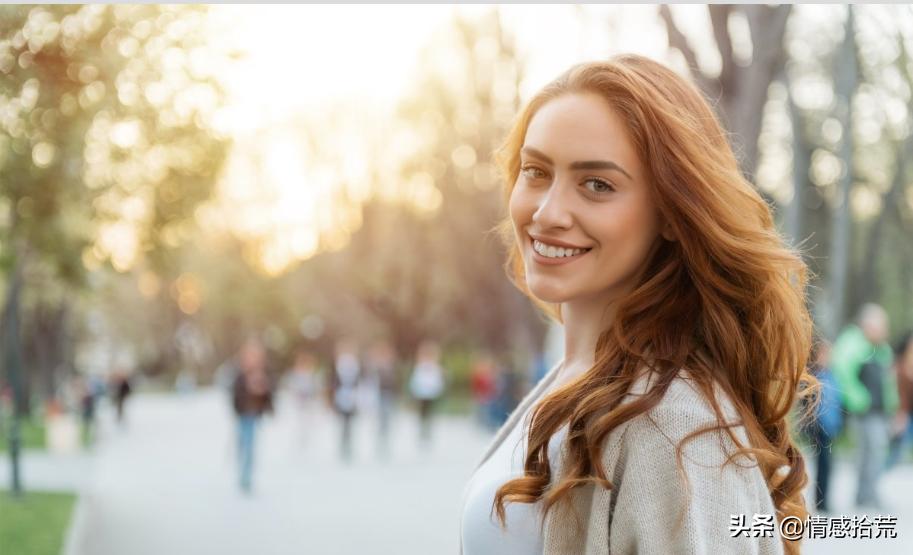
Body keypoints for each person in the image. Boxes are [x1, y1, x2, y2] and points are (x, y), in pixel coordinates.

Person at [460, 55, 814, 555]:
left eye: (597, 184)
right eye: (536, 171)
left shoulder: (670, 424)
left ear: (672, 213)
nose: (547, 211)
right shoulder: (576, 374)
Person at [831, 303, 897, 508]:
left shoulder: (881, 349)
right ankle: (866, 494)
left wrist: (893, 406)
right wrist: (860, 399)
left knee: (875, 452)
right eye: (880, 326)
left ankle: (867, 494)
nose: (883, 330)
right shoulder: (853, 344)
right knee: (869, 452)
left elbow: (888, 381)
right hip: (863, 412)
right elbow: (843, 373)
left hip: (880, 411)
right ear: (867, 325)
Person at [802, 339, 842, 513]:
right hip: (820, 427)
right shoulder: (813, 377)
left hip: (832, 426)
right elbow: (807, 405)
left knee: (829, 465)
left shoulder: (832, 376)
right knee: (822, 465)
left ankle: (825, 500)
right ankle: (820, 501)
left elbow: (837, 402)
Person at [231, 337, 274, 493]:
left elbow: (269, 395)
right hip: (242, 413)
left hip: (254, 415)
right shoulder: (240, 374)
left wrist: (262, 391)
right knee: (242, 443)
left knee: (250, 445)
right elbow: (235, 394)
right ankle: (241, 465)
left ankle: (246, 476)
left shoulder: (263, 373)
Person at [408, 340, 446, 447]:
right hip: (421, 395)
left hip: (431, 395)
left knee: (429, 415)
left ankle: (428, 433)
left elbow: (438, 382)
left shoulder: (436, 368)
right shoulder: (420, 367)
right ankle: (422, 433)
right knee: (422, 415)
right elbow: (415, 382)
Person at [886, 331, 913, 469]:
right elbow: (898, 393)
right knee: (895, 452)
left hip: (908, 414)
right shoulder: (900, 367)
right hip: (903, 414)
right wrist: (900, 413)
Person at [331, 338, 360, 461]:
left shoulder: (355, 365)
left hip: (352, 397)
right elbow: (333, 382)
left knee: (349, 423)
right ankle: (342, 445)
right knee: (342, 422)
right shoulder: (337, 365)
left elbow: (358, 381)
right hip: (341, 397)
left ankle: (348, 445)